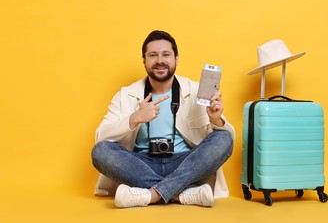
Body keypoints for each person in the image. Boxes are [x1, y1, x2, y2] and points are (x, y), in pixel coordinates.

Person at [91, 30, 235, 208]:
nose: (160, 60)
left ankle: (151, 194)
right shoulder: (126, 94)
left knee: (224, 138)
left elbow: (226, 143)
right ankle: (180, 194)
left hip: (185, 164)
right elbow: (100, 138)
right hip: (141, 165)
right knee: (100, 151)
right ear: (144, 61)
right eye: (153, 55)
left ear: (176, 59)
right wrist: (134, 119)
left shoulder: (197, 91)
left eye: (166, 54)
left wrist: (216, 120)